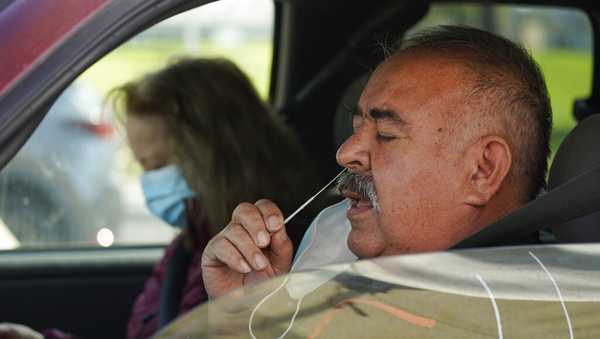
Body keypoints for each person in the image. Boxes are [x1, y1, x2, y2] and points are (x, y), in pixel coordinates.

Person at [200, 25, 552, 299]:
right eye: (356, 129)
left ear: (482, 169)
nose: (345, 153)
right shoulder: (333, 234)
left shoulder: (536, 313)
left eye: (385, 133)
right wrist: (251, 311)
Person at [0, 58, 315, 339]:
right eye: (142, 165)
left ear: (216, 154)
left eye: (159, 166)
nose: (149, 183)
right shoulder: (189, 248)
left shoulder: (275, 254)